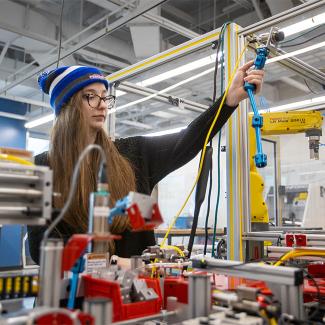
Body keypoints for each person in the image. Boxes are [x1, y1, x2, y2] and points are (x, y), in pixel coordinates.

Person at [28, 62, 264, 265]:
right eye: (90, 96)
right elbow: (41, 250)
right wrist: (106, 263)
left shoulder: (133, 153)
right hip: (72, 305)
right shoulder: (42, 168)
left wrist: (229, 99)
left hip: (134, 300)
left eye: (105, 96)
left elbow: (189, 139)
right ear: (67, 107)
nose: (102, 104)